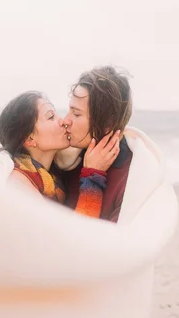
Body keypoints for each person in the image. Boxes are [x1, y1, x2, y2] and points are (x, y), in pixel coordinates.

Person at [0, 90, 119, 218]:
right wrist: (93, 177)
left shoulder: (51, 178)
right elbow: (69, 241)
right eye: (51, 117)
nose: (63, 121)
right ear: (29, 139)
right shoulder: (19, 186)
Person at [56, 65, 133, 223]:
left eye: (76, 113)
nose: (65, 120)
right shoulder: (66, 160)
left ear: (107, 124)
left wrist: (92, 176)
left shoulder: (132, 181)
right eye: (69, 110)